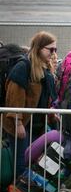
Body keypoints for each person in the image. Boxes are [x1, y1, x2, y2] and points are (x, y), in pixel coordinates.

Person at [4, 31, 57, 178]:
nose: (53, 53)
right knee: (21, 164)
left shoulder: (45, 68)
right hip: (21, 125)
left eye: (55, 50)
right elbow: (14, 95)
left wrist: (52, 116)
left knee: (32, 162)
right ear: (39, 48)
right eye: (50, 49)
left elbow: (46, 98)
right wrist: (18, 121)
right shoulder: (23, 66)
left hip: (36, 125)